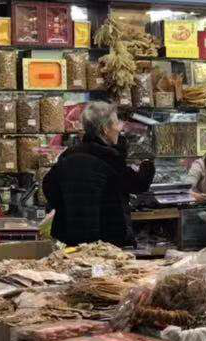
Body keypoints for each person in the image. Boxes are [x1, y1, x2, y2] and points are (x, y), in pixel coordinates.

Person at [42, 101, 154, 247]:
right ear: (105, 129)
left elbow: (49, 187)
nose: (119, 128)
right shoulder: (110, 158)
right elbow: (138, 184)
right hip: (106, 240)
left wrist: (70, 208)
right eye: (116, 123)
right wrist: (147, 164)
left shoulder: (68, 154)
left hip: (70, 238)